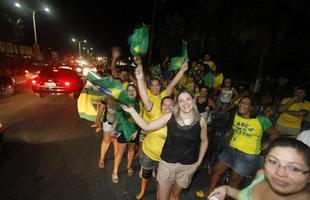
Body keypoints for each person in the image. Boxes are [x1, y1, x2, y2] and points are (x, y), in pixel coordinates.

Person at [122, 89, 208, 200]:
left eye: (188, 99)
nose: (185, 103)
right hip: (167, 164)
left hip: (187, 167)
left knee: (176, 195)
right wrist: (132, 111)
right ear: (177, 103)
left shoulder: (201, 121)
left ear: (193, 100)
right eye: (181, 100)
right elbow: (147, 126)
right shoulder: (170, 117)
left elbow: (204, 141)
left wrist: (198, 163)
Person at [196, 96, 279, 198]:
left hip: (247, 156)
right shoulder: (237, 115)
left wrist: (267, 145)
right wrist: (229, 132)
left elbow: (275, 134)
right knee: (216, 170)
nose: (241, 105)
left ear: (252, 107)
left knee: (233, 180)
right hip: (231, 150)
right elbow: (235, 128)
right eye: (241, 102)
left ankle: (225, 196)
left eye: (246, 103)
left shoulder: (261, 120)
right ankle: (210, 191)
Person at [207, 137, 310, 200]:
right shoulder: (261, 175)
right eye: (273, 161)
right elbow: (246, 196)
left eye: (294, 168)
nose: (280, 173)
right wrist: (227, 189)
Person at [111, 84, 141, 183]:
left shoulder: (139, 104)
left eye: (134, 90)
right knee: (121, 151)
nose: (131, 92)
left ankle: (128, 166)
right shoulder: (122, 102)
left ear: (137, 92)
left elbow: (142, 119)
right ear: (126, 92)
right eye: (129, 90)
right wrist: (114, 127)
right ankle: (115, 171)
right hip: (122, 130)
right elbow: (118, 115)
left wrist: (137, 131)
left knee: (131, 149)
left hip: (134, 131)